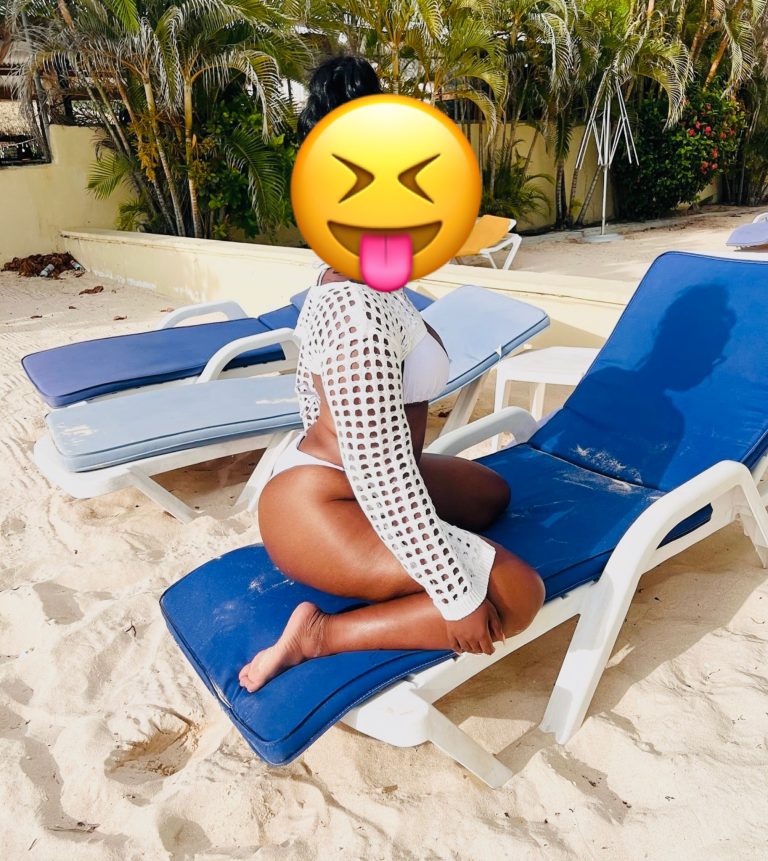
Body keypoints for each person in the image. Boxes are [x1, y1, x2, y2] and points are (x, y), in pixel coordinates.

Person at [239, 56, 544, 693]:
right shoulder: (356, 312)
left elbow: (317, 399)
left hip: (356, 478)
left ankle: (395, 565)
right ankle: (317, 635)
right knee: (518, 596)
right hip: (322, 506)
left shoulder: (371, 276)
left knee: (491, 497)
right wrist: (455, 592)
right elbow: (381, 474)